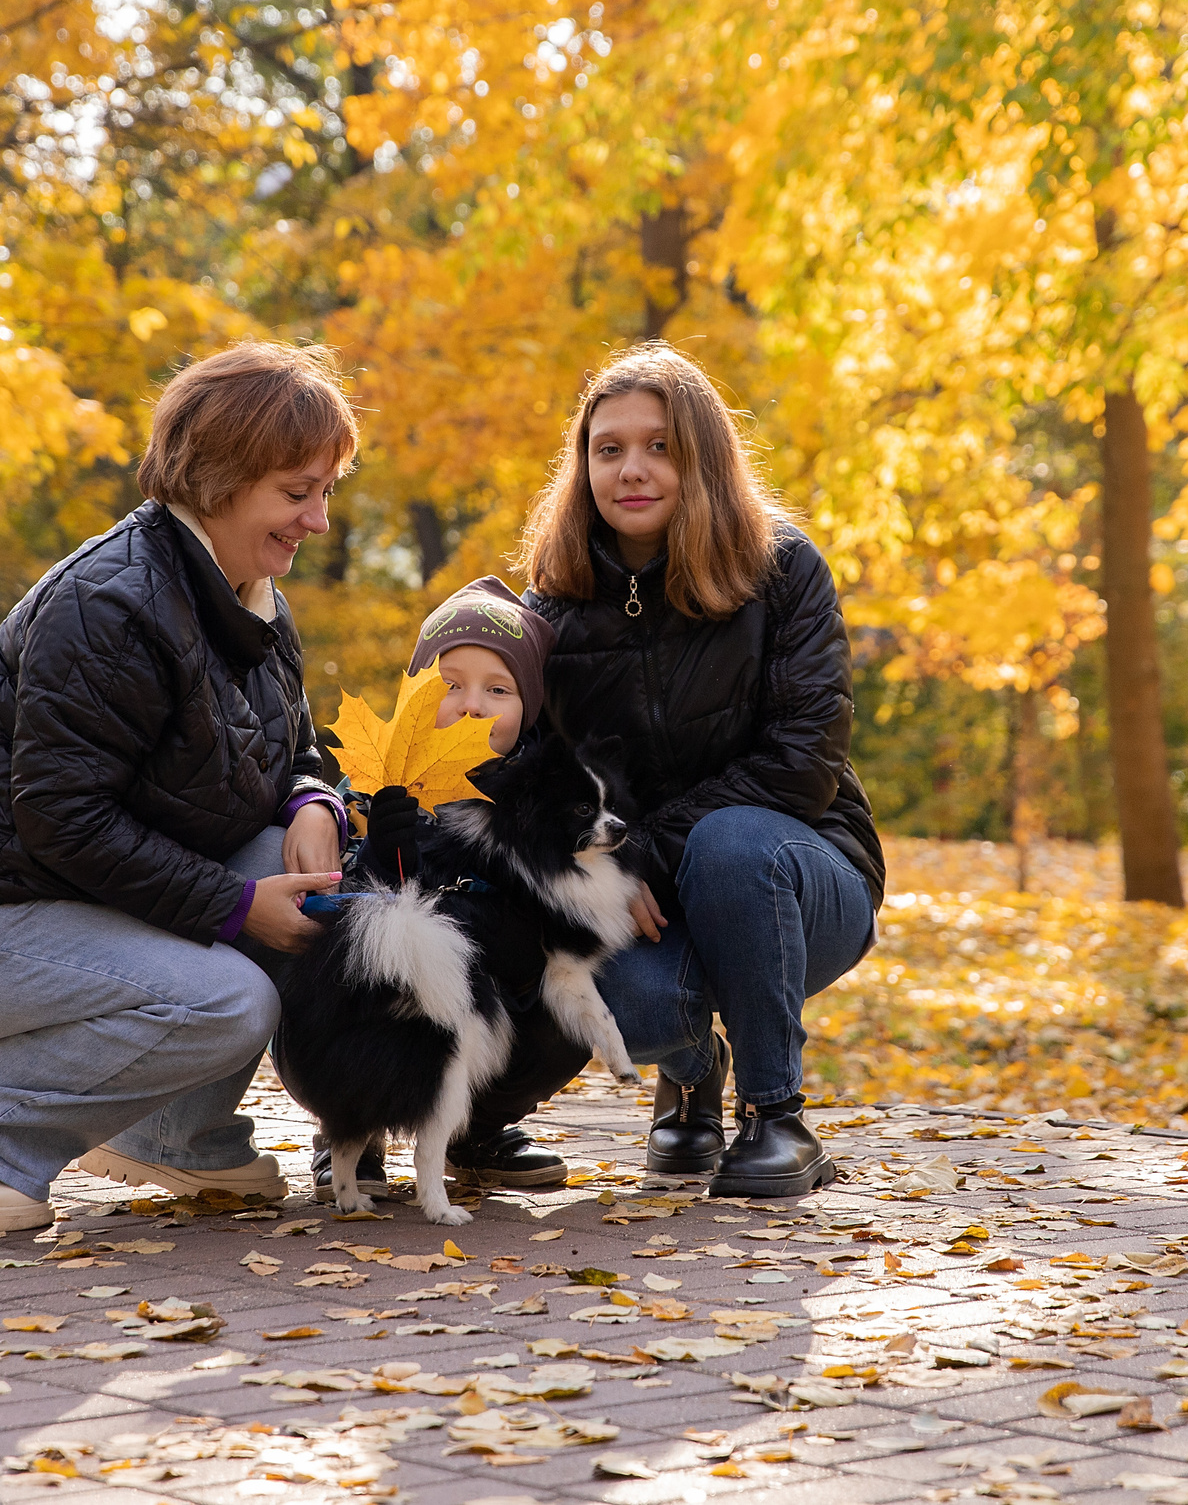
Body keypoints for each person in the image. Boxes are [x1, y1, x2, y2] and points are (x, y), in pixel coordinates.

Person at [0, 342, 354, 1232]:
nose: (318, 520)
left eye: (327, 490)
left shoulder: (251, 597)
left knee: (307, 874)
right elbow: (62, 817)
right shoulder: (112, 604)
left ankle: (177, 1133)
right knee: (231, 996)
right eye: (297, 493)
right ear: (219, 479)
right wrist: (235, 905)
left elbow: (295, 745)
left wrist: (313, 804)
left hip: (89, 903)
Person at [520, 343, 884, 1196]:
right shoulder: (551, 605)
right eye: (608, 449)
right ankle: (691, 1071)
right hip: (648, 903)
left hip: (801, 873)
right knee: (632, 1009)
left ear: (704, 458)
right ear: (583, 466)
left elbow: (803, 762)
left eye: (660, 446)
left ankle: (777, 1117)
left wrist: (644, 847)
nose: (631, 469)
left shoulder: (784, 568)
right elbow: (533, 779)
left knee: (728, 844)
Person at [309, 576, 588, 1195]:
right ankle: (353, 1129)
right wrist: (382, 852)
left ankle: (475, 1129)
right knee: (339, 967)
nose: (472, 705)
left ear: (531, 708)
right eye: (449, 685)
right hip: (392, 1009)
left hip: (490, 1008)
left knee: (568, 1011)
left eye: (498, 689)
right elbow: (351, 925)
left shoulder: (538, 811)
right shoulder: (381, 790)